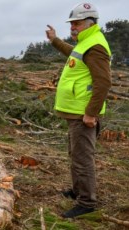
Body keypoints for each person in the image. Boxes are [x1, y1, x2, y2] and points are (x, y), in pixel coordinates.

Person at [45, 3, 111, 218]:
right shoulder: (85, 43)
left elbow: (103, 82)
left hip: (83, 114)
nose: (73, 27)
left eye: (77, 23)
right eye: (72, 24)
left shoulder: (95, 46)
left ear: (90, 23)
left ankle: (87, 203)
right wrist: (54, 40)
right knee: (75, 154)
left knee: (82, 158)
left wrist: (91, 113)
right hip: (75, 112)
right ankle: (78, 191)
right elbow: (71, 53)